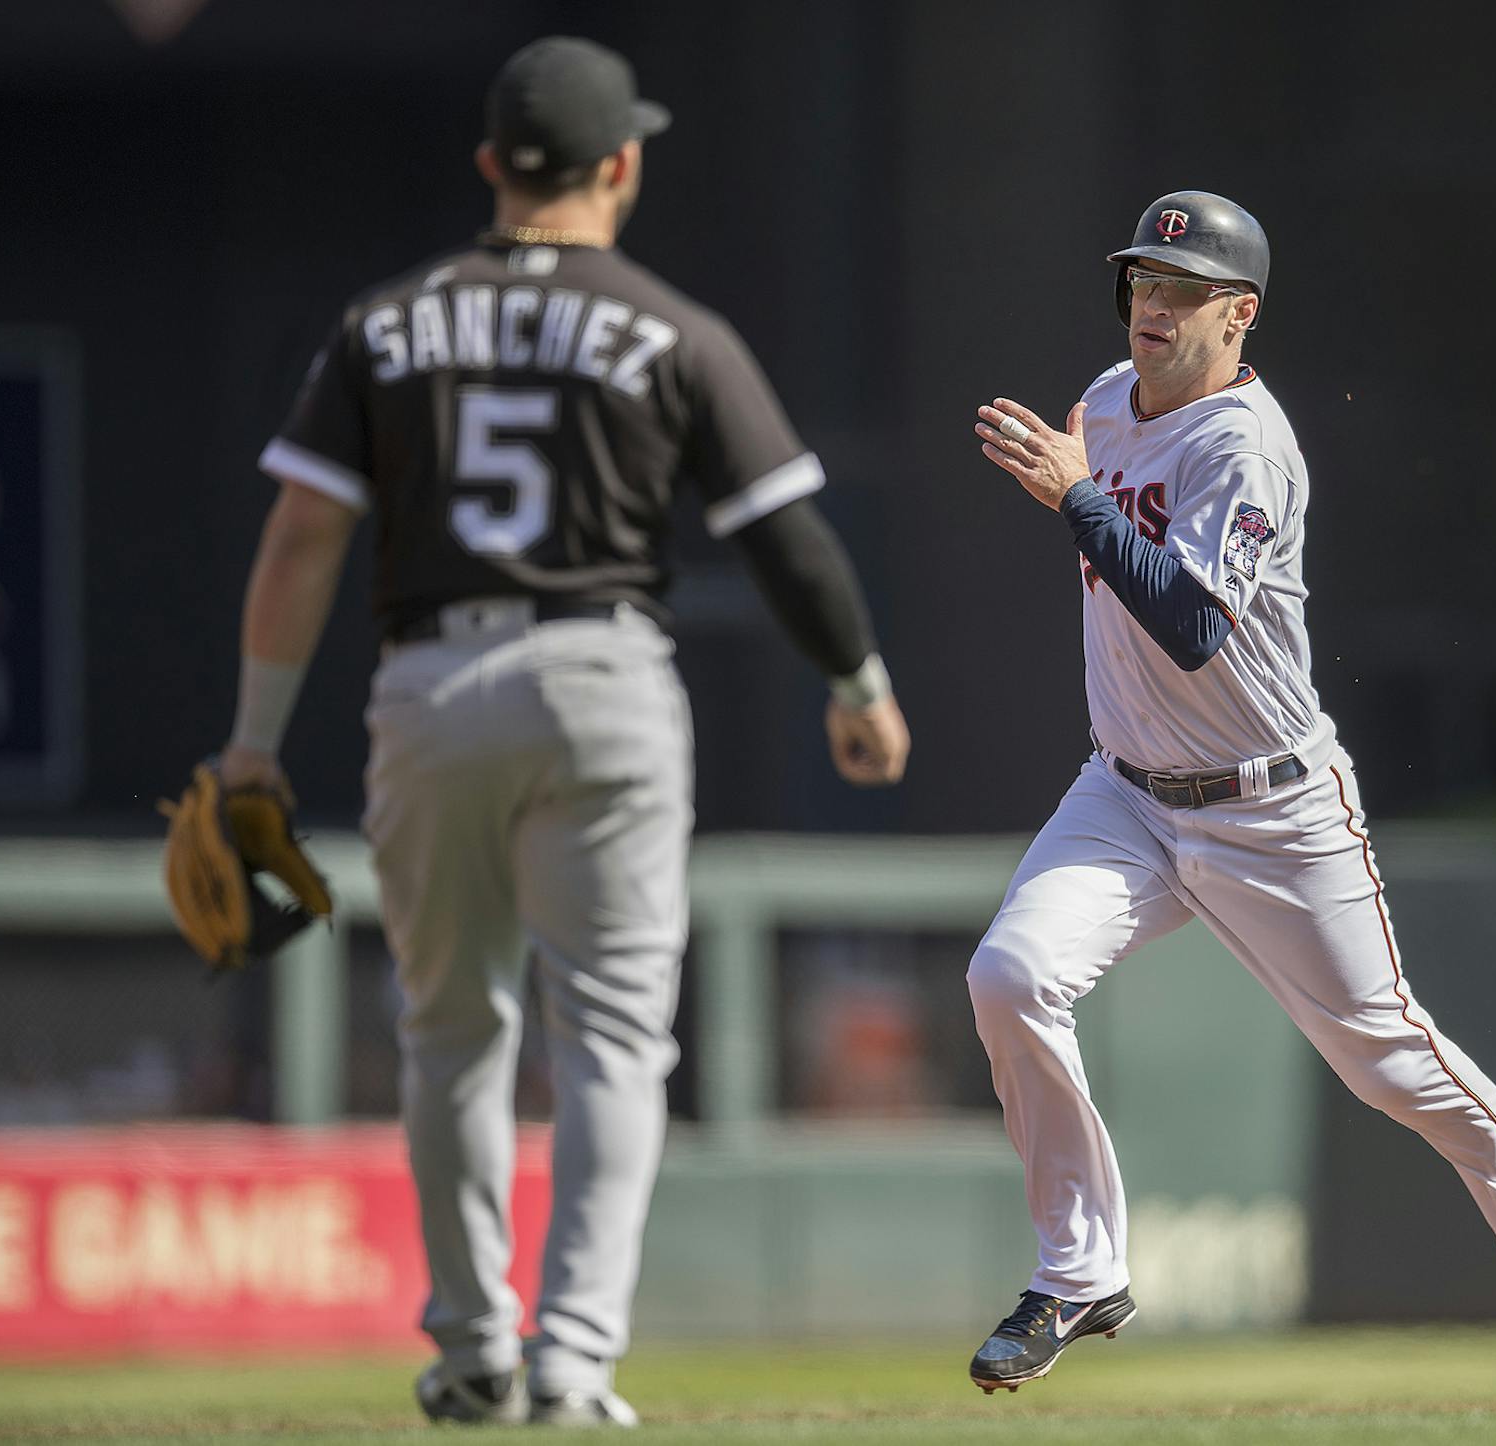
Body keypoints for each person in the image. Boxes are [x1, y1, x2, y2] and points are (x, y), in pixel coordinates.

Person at [227, 36, 910, 1427]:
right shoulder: (674, 326)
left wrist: (252, 741)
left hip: (430, 682)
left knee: (448, 1031)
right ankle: (574, 1358)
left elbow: (304, 531)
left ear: (491, 167)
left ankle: (473, 1342)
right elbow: (788, 538)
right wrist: (858, 682)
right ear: (622, 165)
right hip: (602, 680)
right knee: (610, 1039)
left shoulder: (386, 321)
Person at [964, 191, 1496, 1405]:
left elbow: (1198, 625)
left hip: (1272, 809)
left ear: (1237, 315)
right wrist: (1081, 483)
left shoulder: (1244, 443)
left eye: (1181, 290)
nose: (1152, 306)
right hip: (1127, 797)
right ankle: (1079, 1269)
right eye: (1142, 283)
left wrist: (1076, 497)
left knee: (1387, 1065)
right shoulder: (1105, 404)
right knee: (1008, 976)